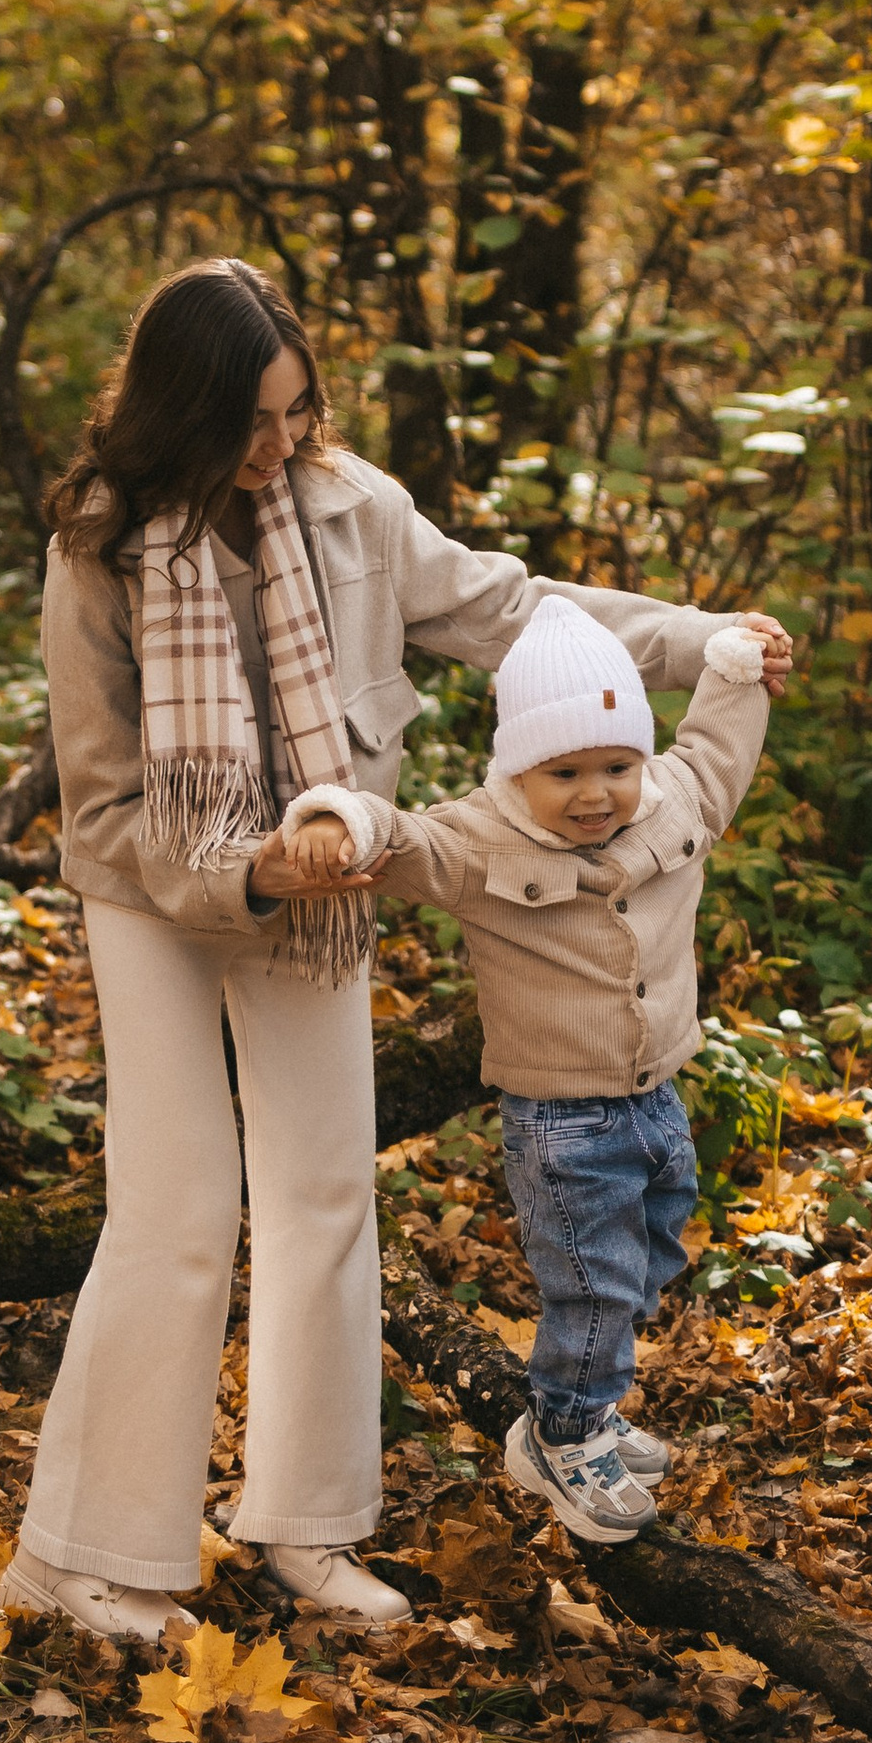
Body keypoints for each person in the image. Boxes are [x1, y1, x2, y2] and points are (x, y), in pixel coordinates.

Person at [0, 255, 789, 1646]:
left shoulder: (354, 512)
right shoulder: (98, 553)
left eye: (296, 413)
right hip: (161, 892)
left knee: (322, 1201)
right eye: (249, 424)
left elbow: (519, 612)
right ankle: (82, 1556)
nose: (281, 447)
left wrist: (703, 642)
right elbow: (104, 806)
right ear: (178, 416)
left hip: (328, 882)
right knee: (179, 1215)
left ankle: (306, 1527)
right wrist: (246, 866)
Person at [268, 597, 782, 1540]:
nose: (596, 793)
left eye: (616, 766)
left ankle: (590, 1402)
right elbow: (405, 837)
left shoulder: (677, 803)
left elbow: (717, 744)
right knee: (591, 1281)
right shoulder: (481, 842)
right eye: (566, 772)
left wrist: (736, 664)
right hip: (561, 1122)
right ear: (518, 769)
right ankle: (561, 1432)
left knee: (652, 1256)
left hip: (657, 1094)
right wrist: (337, 818)